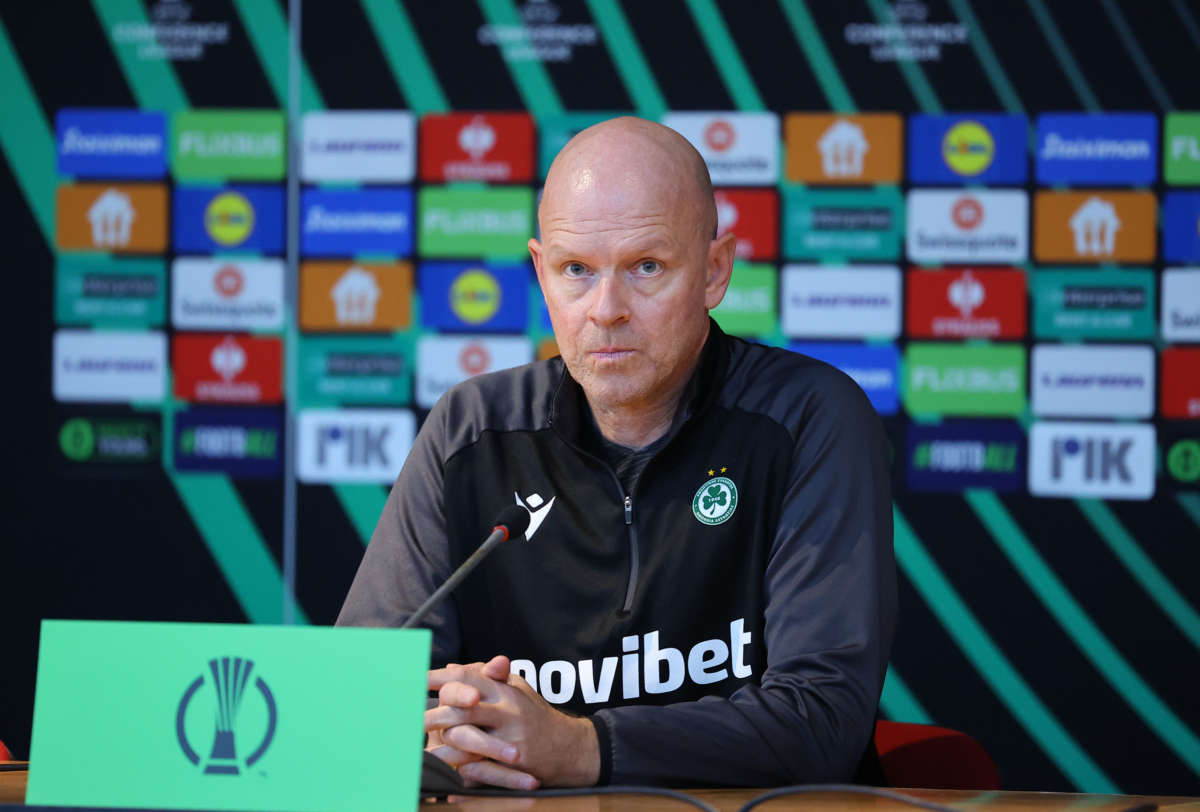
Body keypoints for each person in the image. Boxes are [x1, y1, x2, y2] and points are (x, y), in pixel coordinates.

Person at [337, 116, 896, 790]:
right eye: (576, 269)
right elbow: (359, 697)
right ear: (542, 274)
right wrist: (445, 725)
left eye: (646, 267)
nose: (606, 309)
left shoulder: (808, 418)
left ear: (715, 271)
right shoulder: (471, 430)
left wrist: (581, 747)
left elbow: (823, 721)